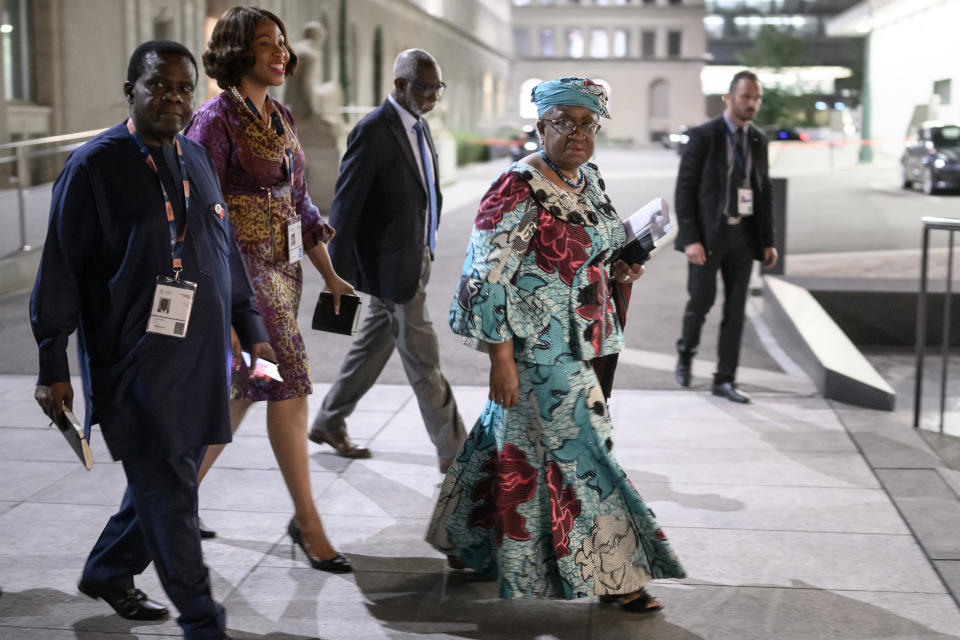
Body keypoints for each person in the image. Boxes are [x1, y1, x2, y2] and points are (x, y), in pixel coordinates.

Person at [30, 40, 273, 640]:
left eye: (183, 87)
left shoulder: (195, 158)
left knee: (170, 479)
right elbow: (60, 267)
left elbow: (225, 254)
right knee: (171, 496)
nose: (172, 97)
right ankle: (202, 621)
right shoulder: (94, 166)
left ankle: (110, 568)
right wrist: (50, 360)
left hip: (198, 357)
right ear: (130, 91)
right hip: (135, 362)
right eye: (158, 86)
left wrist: (253, 328)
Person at [426, 77, 685, 611]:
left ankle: (468, 540)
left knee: (510, 444)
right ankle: (619, 575)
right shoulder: (517, 186)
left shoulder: (587, 180)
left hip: (584, 339)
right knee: (588, 452)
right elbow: (486, 274)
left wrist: (625, 264)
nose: (578, 133)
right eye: (564, 122)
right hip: (537, 349)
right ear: (540, 126)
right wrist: (500, 359)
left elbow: (600, 249)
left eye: (588, 123)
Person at [183, 6, 354, 573]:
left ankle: (171, 500)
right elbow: (199, 218)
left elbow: (299, 203)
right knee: (288, 386)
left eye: (281, 42)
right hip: (240, 281)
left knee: (237, 395)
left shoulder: (281, 117)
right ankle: (308, 523)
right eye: (265, 43)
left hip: (284, 275)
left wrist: (329, 272)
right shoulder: (213, 121)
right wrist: (229, 310)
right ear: (238, 53)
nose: (280, 52)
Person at [309, 48, 466, 470]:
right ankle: (457, 451)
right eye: (425, 87)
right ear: (400, 85)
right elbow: (345, 206)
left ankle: (328, 420)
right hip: (392, 268)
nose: (433, 95)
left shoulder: (420, 125)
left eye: (437, 88)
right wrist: (335, 275)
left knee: (372, 347)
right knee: (423, 357)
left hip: (417, 256)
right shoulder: (373, 130)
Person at [673, 70, 778, 404]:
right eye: (746, 96)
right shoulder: (704, 136)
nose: (752, 103)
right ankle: (686, 353)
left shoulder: (758, 140)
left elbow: (764, 192)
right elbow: (684, 190)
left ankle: (725, 379)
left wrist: (768, 240)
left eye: (757, 98)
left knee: (736, 311)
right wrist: (690, 238)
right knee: (700, 303)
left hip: (743, 236)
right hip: (708, 236)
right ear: (728, 98)